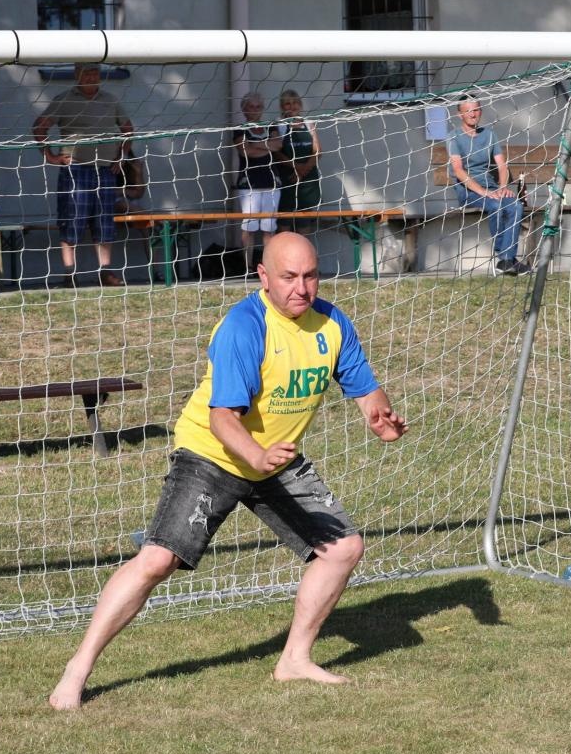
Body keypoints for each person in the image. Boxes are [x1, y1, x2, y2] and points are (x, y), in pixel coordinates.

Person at [48, 231, 407, 710]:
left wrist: (379, 417)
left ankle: (294, 660)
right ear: (263, 276)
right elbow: (222, 419)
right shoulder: (244, 326)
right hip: (212, 455)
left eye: (310, 276)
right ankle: (76, 672)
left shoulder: (333, 324)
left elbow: (365, 388)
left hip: (273, 459)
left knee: (343, 548)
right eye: (289, 277)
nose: (302, 288)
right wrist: (255, 458)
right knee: (157, 560)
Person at [32, 63, 134, 286]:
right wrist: (50, 156)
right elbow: (39, 127)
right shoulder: (64, 99)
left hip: (105, 170)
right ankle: (70, 274)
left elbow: (128, 130)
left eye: (94, 72)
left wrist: (121, 157)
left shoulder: (110, 99)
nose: (91, 76)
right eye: (86, 72)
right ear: (77, 74)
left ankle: (105, 272)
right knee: (72, 220)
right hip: (75, 170)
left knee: (104, 222)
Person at [448, 97, 528, 276]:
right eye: (468, 110)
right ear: (460, 114)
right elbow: (458, 171)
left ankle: (506, 261)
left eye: (476, 109)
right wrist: (483, 192)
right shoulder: (454, 137)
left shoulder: (489, 134)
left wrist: (502, 187)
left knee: (515, 204)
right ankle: (506, 258)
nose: (472, 114)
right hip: (469, 192)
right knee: (496, 205)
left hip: (491, 189)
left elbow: (501, 165)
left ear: (480, 111)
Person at [234, 91, 283, 268]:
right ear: (244, 109)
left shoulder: (270, 126)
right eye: (251, 107)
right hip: (249, 184)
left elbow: (278, 145)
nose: (255, 110)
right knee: (249, 227)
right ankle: (247, 268)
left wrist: (255, 145)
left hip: (272, 182)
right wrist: (266, 146)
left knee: (269, 227)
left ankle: (268, 267)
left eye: (258, 107)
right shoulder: (240, 128)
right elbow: (246, 151)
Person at [275, 89, 322, 213]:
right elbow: (276, 153)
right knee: (284, 221)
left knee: (304, 220)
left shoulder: (309, 123)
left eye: (295, 102)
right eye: (287, 103)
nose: (292, 106)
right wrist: (296, 167)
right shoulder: (278, 125)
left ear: (300, 104)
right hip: (287, 179)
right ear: (282, 107)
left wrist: (302, 171)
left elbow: (318, 151)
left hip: (307, 179)